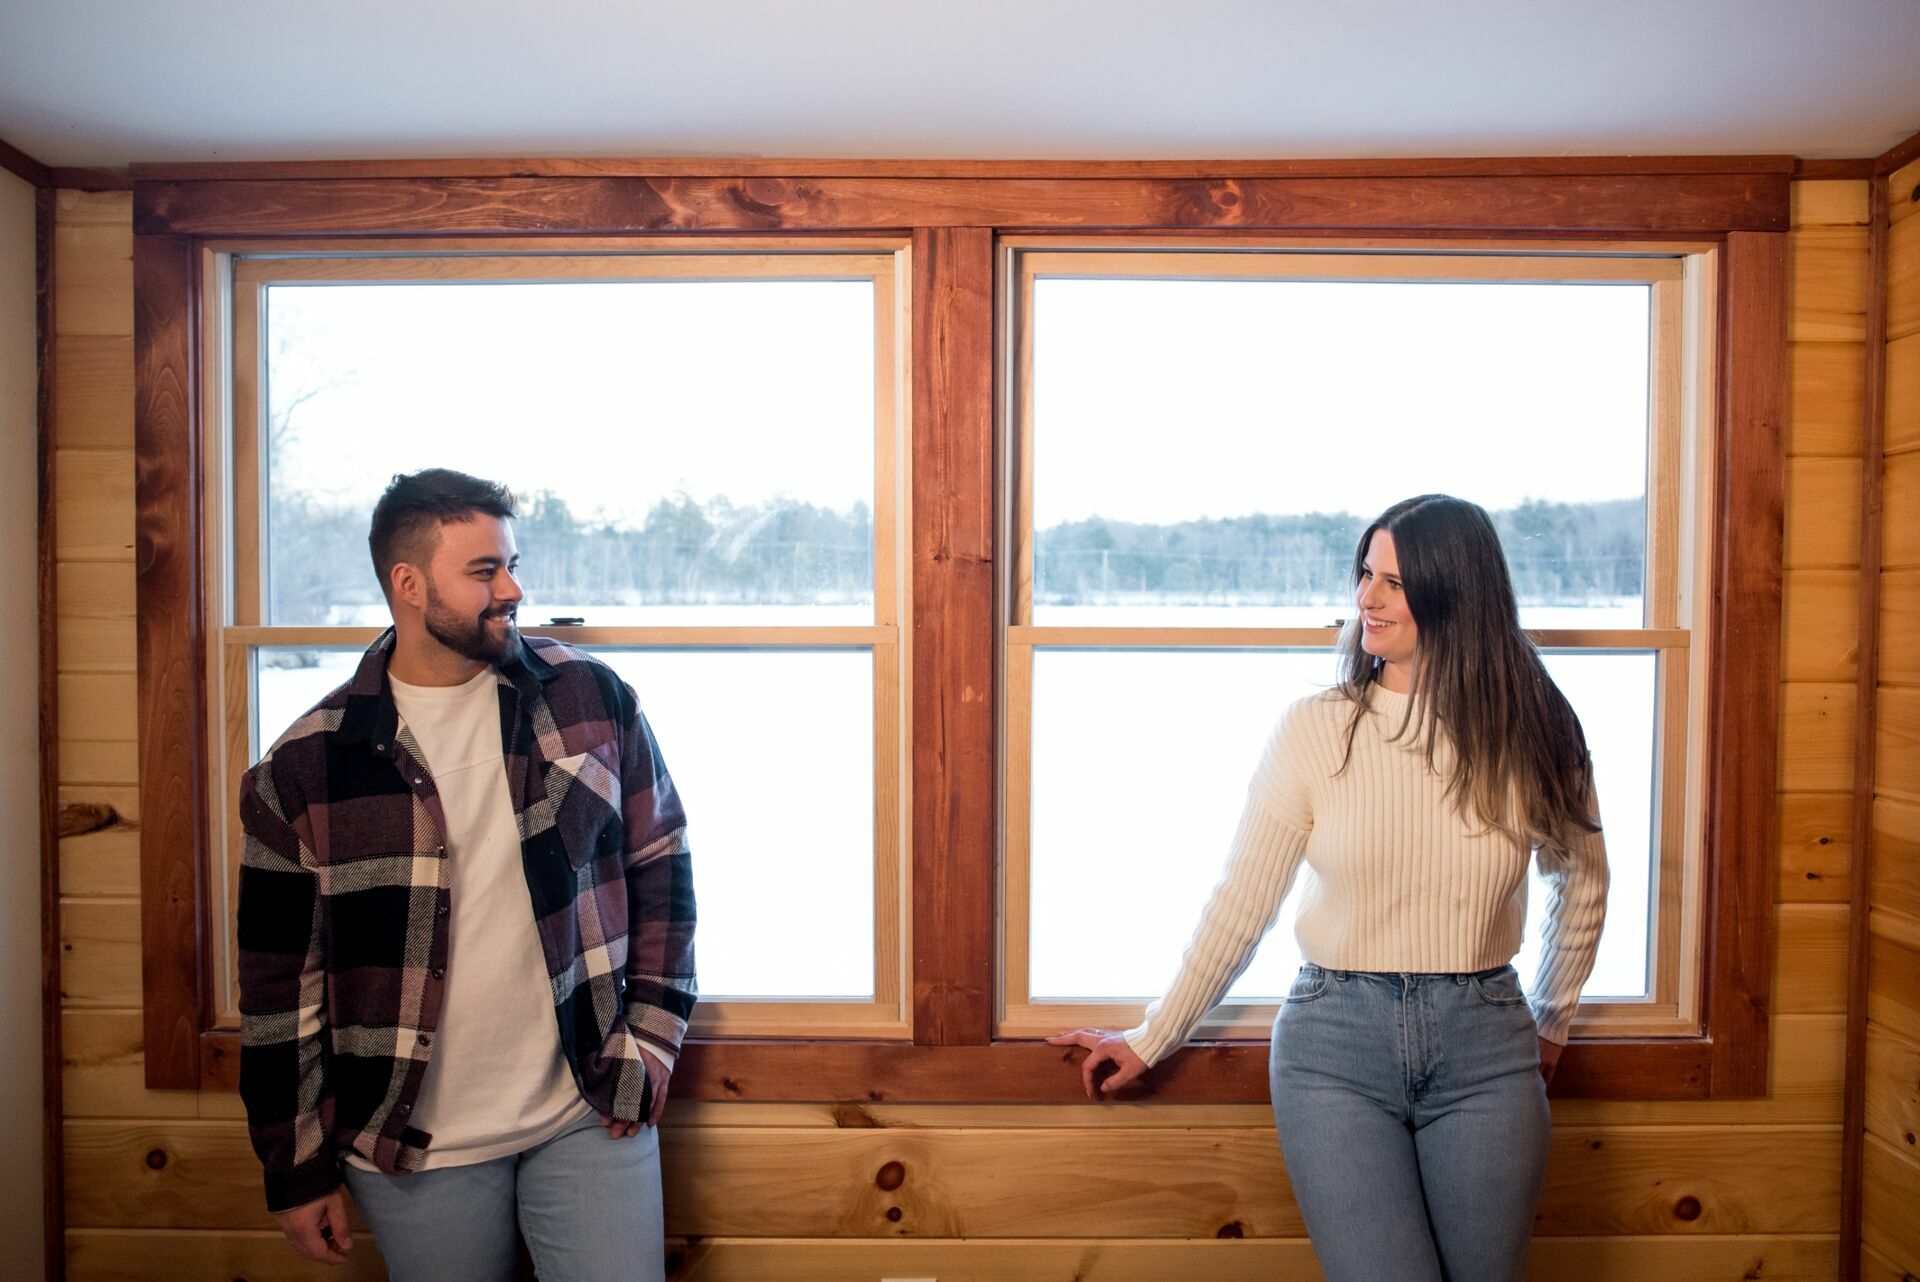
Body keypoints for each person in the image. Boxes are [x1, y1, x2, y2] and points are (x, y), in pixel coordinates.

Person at [1050, 493, 1608, 1282]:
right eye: (1365, 573)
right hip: (1336, 1050)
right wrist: (1152, 1036)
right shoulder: (1315, 729)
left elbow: (1583, 880)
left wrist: (1552, 1018)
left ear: (1457, 592)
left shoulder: (1535, 729)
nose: (1367, 598)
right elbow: (1241, 903)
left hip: (1486, 1047)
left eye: (1394, 583)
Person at [236, 468, 696, 1280]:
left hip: (588, 1109)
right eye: (484, 571)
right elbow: (279, 992)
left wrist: (650, 1045)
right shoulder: (305, 768)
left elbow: (662, 870)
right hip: (412, 1145)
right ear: (408, 584)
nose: (512, 589)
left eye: (512, 565)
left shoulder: (589, 700)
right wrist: (295, 1169)